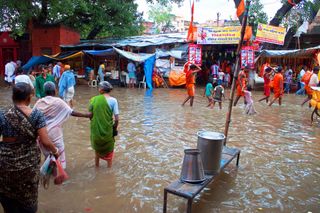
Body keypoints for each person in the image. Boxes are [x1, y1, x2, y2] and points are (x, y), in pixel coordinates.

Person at [0, 82, 59, 213]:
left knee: (7, 198)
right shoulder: (36, 115)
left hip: (4, 164)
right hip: (28, 165)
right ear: (28, 98)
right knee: (28, 200)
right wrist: (55, 151)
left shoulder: (2, 114)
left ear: (13, 97)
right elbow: (45, 141)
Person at [34, 82, 91, 169]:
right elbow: (71, 112)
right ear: (55, 91)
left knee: (48, 155)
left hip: (42, 134)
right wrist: (87, 115)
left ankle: (49, 173)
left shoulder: (39, 102)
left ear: (44, 91)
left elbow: (32, 117)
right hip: (55, 134)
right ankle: (60, 172)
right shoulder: (59, 101)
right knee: (59, 154)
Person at [89, 81, 119, 168]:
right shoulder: (113, 101)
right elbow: (117, 119)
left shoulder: (93, 99)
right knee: (109, 155)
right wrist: (114, 129)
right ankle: (109, 171)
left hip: (96, 132)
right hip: (108, 131)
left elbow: (90, 116)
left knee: (97, 153)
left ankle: (97, 168)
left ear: (101, 90)